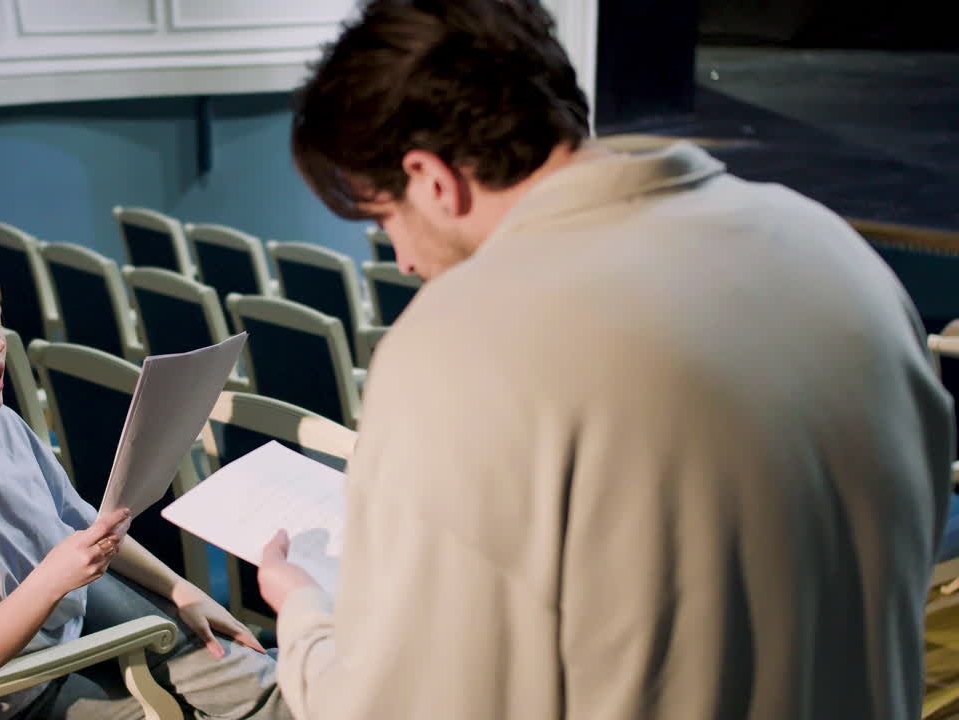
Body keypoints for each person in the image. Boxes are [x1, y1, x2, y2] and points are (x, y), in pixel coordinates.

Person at [256, 1, 955, 719]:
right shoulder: (835, 251)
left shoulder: (460, 341)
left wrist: (306, 615)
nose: (400, 259)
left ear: (431, 178)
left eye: (384, 219)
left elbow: (406, 704)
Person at [0, 250, 291, 720]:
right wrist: (54, 578)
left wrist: (183, 591)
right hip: (14, 691)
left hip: (68, 621)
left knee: (255, 677)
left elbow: (80, 522)